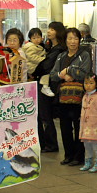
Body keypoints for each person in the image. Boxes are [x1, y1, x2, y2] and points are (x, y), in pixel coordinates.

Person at [50, 27, 92, 166]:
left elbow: (85, 73)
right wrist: (62, 75)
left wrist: (69, 70)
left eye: (75, 38)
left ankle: (79, 156)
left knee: (79, 126)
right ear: (65, 40)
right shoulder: (61, 56)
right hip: (63, 97)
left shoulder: (84, 55)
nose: (73, 41)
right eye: (70, 38)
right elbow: (53, 75)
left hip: (79, 96)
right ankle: (68, 155)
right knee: (65, 127)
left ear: (79, 40)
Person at [34, 21, 66, 152]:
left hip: (49, 84)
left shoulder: (59, 50)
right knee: (43, 114)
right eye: (49, 29)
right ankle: (46, 143)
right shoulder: (49, 47)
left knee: (45, 114)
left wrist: (34, 72)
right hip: (45, 83)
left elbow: (46, 66)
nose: (49, 31)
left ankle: (51, 144)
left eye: (52, 29)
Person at [79, 73, 97, 173]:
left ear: (96, 84)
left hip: (95, 126)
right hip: (85, 126)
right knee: (87, 145)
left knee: (95, 145)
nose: (88, 85)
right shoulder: (85, 96)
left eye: (91, 83)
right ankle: (88, 162)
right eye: (86, 83)